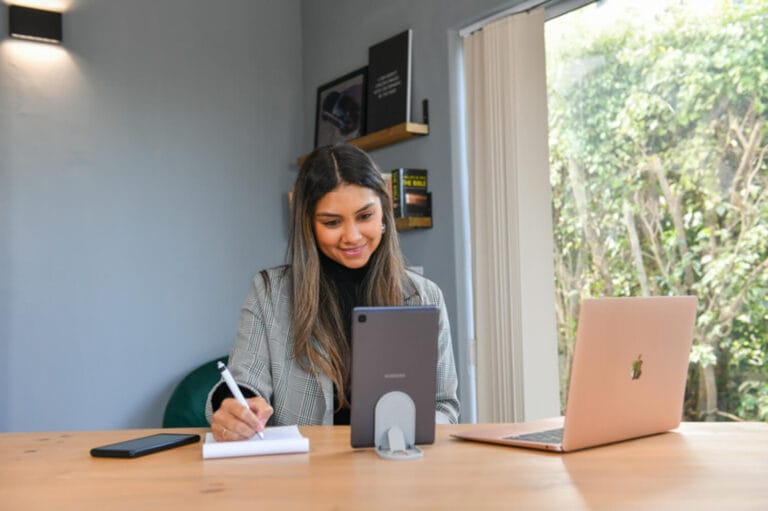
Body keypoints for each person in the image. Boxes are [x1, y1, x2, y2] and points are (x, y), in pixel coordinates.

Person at [205, 143, 460, 441]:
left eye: (365, 216)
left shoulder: (425, 297)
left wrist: (414, 435)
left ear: (384, 213)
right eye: (332, 222)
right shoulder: (269, 293)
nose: (352, 236)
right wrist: (235, 407)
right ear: (308, 225)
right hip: (301, 476)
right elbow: (244, 381)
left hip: (395, 470)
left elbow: (445, 405)